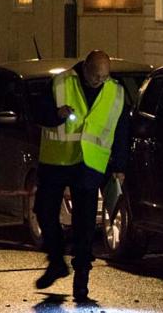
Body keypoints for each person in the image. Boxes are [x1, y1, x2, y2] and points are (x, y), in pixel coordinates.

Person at [32, 50, 129, 302]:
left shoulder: (115, 91)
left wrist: (119, 166)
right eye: (95, 76)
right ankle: (56, 261)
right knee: (44, 210)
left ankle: (81, 280)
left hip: (89, 164)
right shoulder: (61, 82)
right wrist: (56, 115)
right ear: (85, 67)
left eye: (103, 77)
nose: (99, 81)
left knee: (85, 226)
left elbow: (121, 131)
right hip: (57, 159)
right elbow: (37, 113)